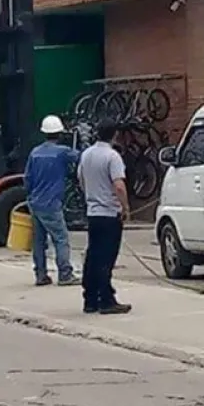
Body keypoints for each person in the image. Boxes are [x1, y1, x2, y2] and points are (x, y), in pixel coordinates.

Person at [77, 120, 131, 315]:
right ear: (115, 134)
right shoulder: (112, 156)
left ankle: (90, 299)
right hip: (109, 213)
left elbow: (81, 179)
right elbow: (118, 185)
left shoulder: (86, 154)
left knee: (93, 256)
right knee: (106, 258)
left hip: (93, 213)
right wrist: (125, 207)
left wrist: (91, 197)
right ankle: (106, 300)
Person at [23, 115, 80, 287]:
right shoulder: (62, 152)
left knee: (39, 241)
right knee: (61, 239)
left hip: (35, 203)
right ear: (60, 133)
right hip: (52, 203)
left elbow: (27, 178)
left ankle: (41, 275)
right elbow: (82, 158)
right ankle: (65, 274)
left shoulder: (35, 152)